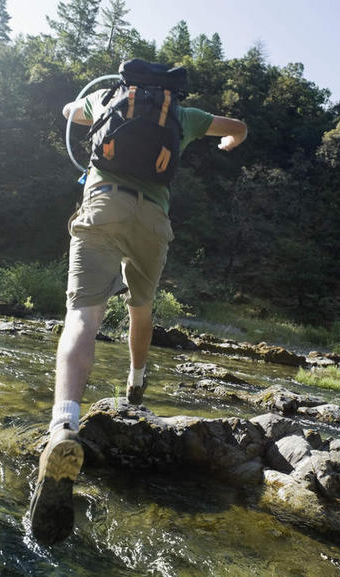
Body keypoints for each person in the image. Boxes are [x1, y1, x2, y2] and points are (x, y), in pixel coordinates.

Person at [29, 70, 248, 545]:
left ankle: (64, 423)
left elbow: (69, 112)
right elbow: (238, 127)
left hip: (103, 204)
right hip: (153, 219)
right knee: (140, 308)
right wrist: (227, 145)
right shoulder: (183, 115)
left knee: (83, 316)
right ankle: (134, 382)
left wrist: (84, 106)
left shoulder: (108, 98)